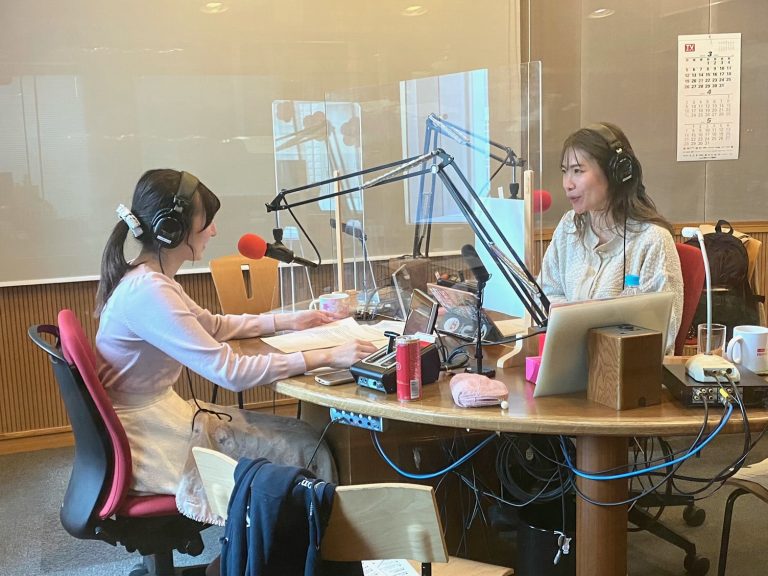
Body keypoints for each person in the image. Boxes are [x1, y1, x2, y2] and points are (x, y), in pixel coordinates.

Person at [94, 168, 377, 528]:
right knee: (310, 448)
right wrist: (328, 356)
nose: (213, 231)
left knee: (305, 436)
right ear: (173, 228)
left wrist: (288, 321)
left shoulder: (148, 279)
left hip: (155, 420)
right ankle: (293, 550)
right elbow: (230, 373)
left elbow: (213, 326)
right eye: (206, 222)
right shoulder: (149, 292)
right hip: (149, 444)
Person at [539, 122, 683, 353]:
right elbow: (547, 293)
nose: (567, 184)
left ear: (616, 173)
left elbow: (663, 333)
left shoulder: (653, 240)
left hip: (626, 367)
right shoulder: (569, 227)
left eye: (578, 171)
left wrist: (581, 324)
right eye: (565, 171)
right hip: (569, 359)